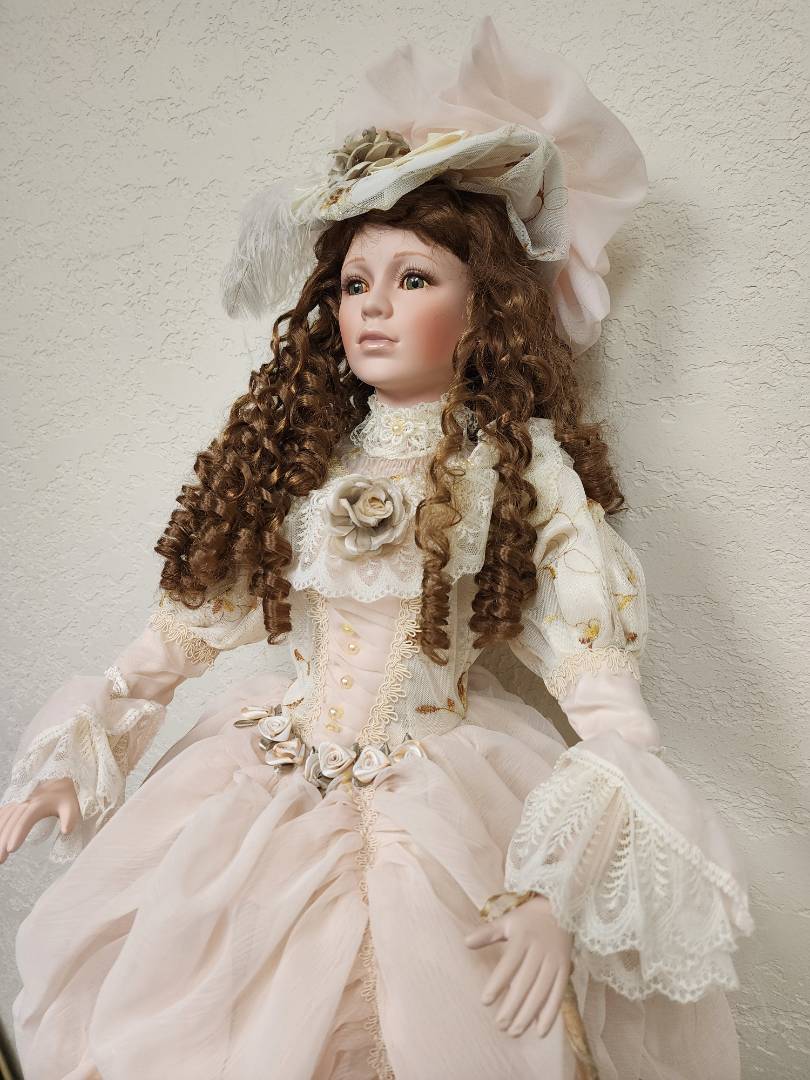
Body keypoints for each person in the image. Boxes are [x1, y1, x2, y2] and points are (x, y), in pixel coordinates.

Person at [0, 17, 753, 1080]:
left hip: (438, 796)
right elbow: (185, 632)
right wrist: (86, 747)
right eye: (356, 284)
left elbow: (610, 711)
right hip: (266, 785)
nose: (373, 310)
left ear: (484, 308)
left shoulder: (519, 469)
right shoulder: (303, 451)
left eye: (413, 280)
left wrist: (556, 889)